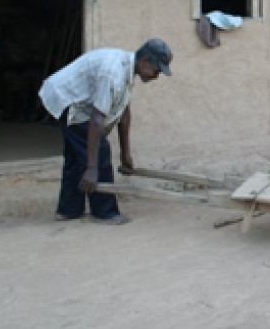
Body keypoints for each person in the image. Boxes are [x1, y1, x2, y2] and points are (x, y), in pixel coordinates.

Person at [38, 37, 173, 225]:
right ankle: (105, 212)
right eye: (156, 71)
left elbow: (123, 113)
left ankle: (68, 210)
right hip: (66, 99)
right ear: (145, 61)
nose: (156, 76)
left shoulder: (127, 70)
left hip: (74, 99)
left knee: (77, 155)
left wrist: (125, 153)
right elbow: (96, 120)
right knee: (99, 152)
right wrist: (92, 169)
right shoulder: (113, 73)